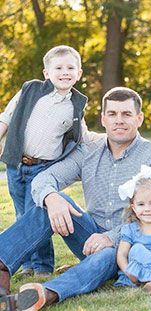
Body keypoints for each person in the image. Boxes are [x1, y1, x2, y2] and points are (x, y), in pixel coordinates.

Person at [0, 87, 151, 311]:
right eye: (113, 114)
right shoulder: (89, 150)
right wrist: (52, 197)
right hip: (89, 238)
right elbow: (44, 179)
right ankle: (1, 265)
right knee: (54, 203)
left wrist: (110, 237)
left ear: (139, 118)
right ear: (103, 119)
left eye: (126, 114)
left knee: (108, 254)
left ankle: (45, 293)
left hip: (129, 245)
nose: (119, 120)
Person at [0, 45, 100, 276]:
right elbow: (6, 118)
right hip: (17, 164)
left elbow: (83, 136)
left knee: (37, 212)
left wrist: (109, 139)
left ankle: (43, 266)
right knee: (22, 215)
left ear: (79, 73)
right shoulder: (30, 90)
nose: (65, 72)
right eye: (59, 68)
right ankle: (27, 265)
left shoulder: (76, 105)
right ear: (47, 73)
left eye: (70, 68)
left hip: (43, 167)